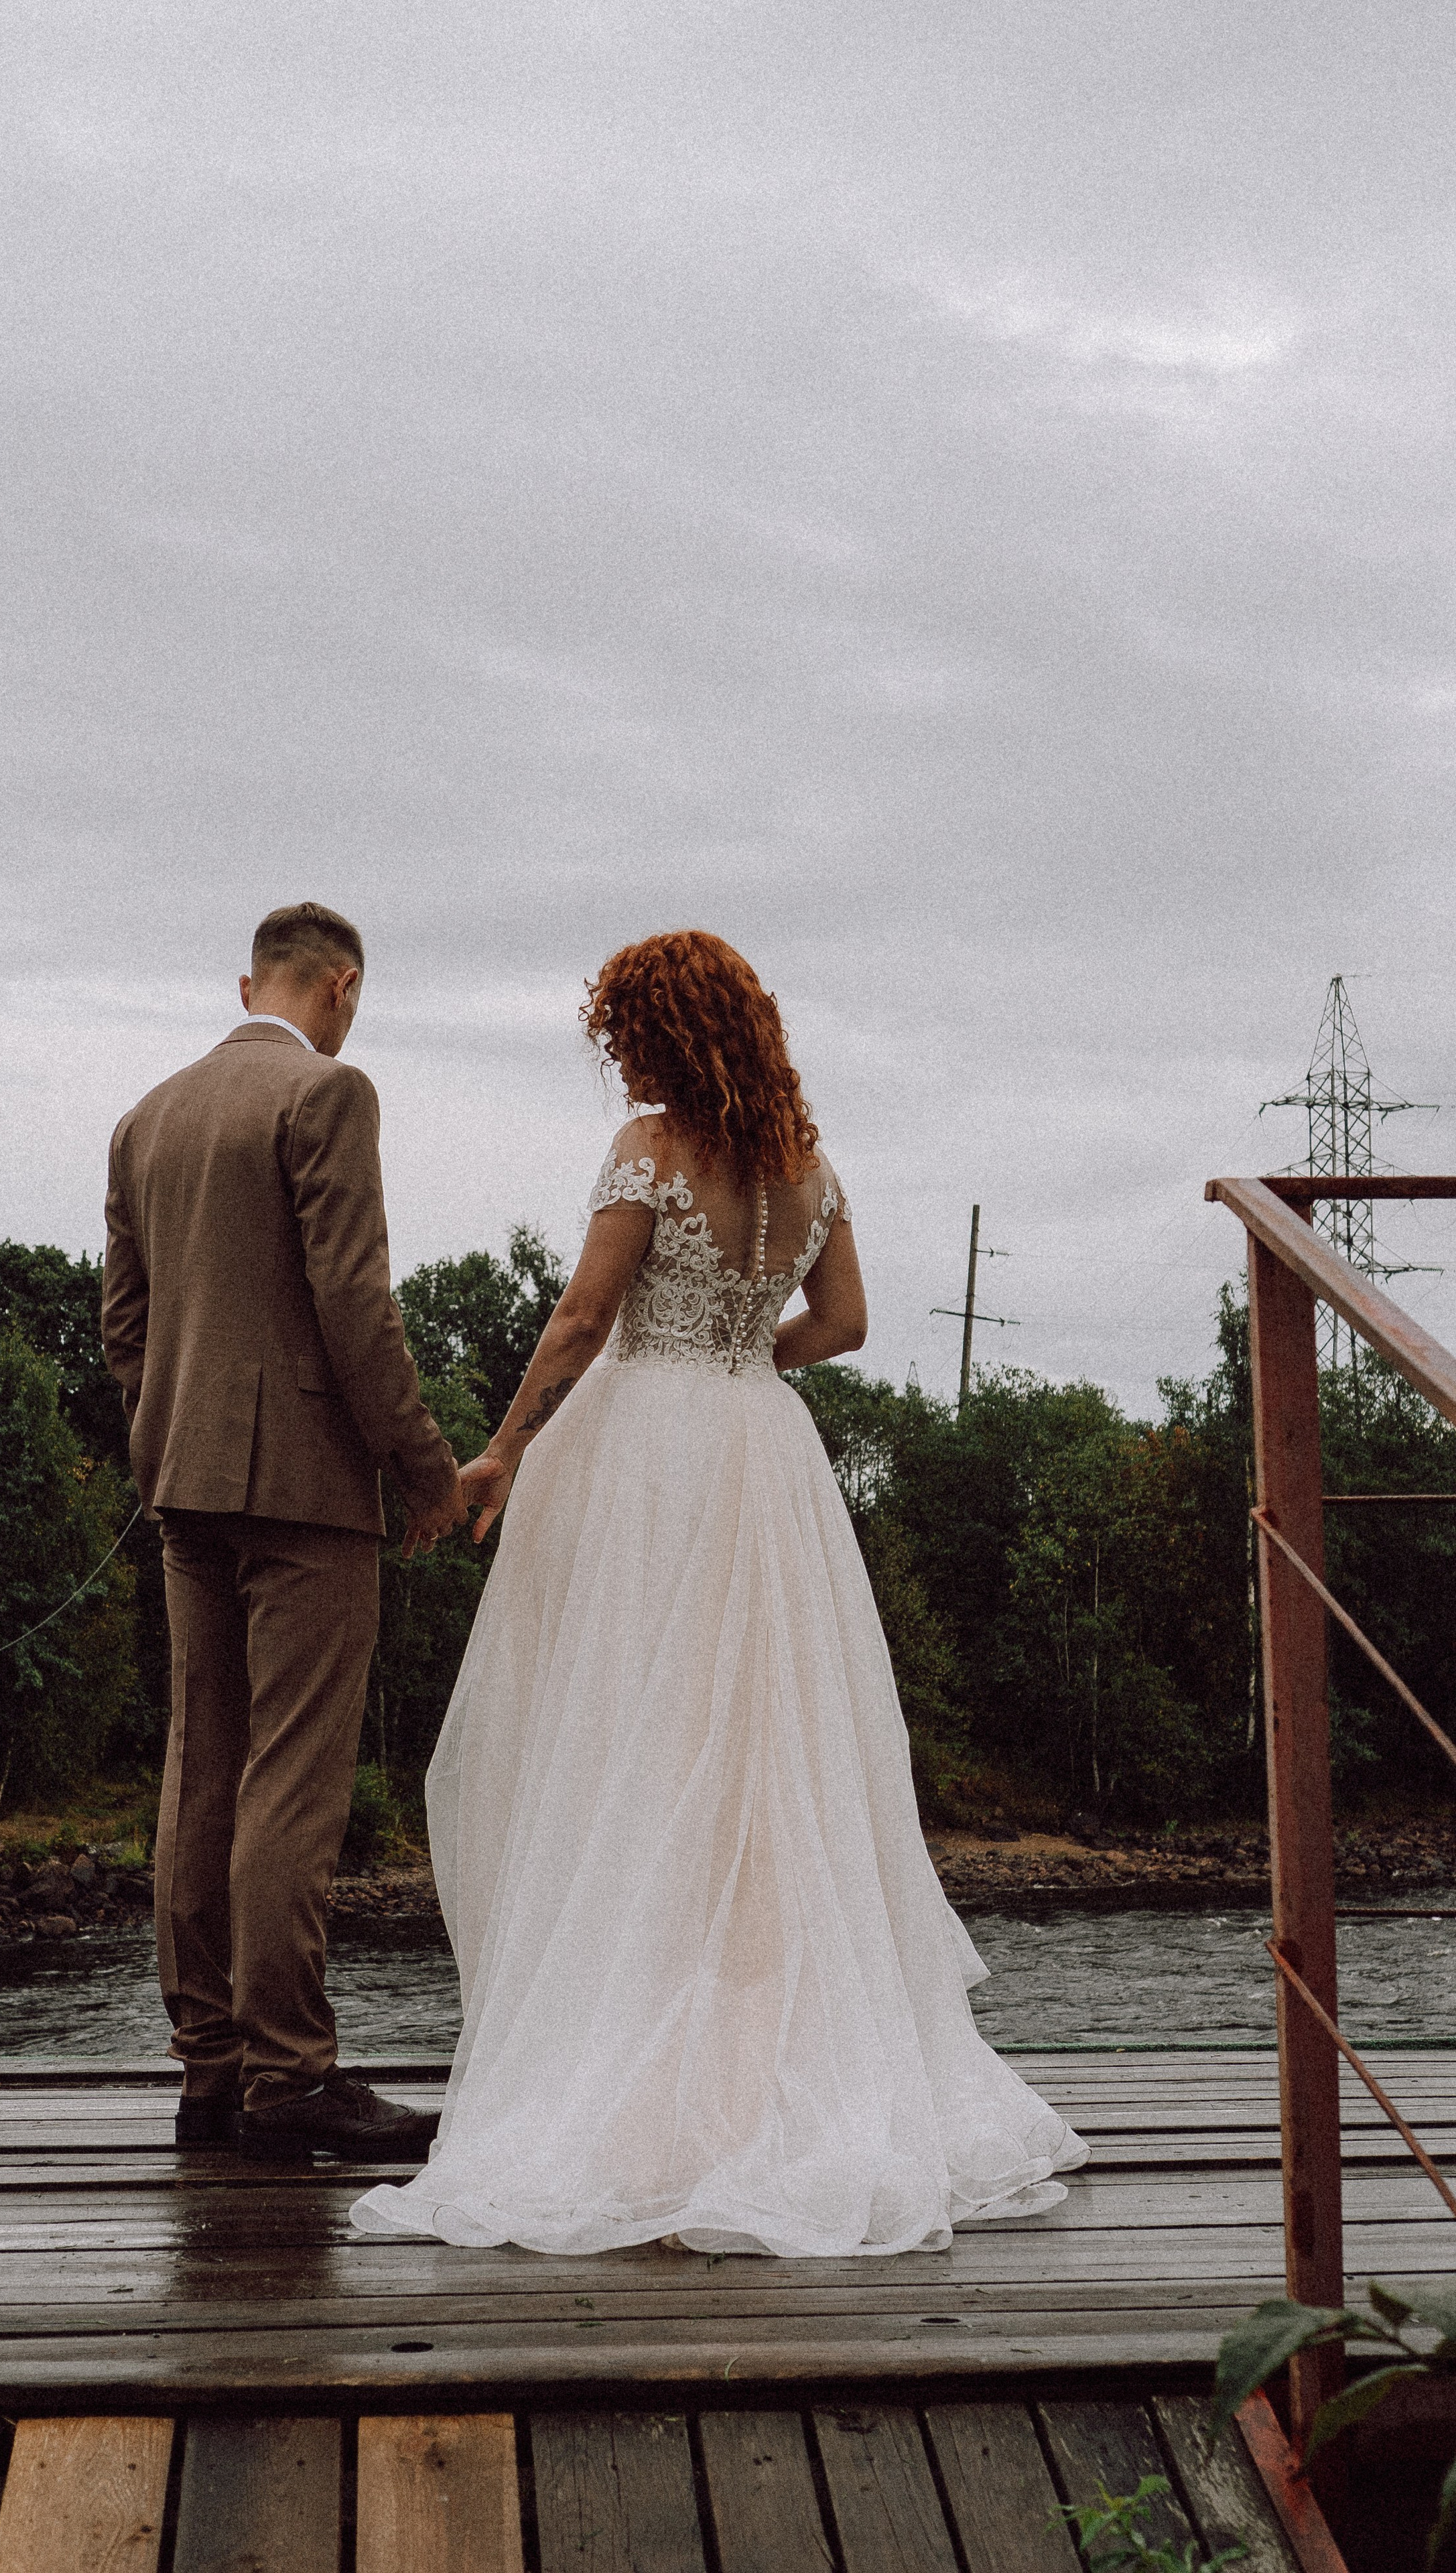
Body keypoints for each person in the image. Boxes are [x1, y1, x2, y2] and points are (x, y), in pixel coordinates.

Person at [352, 929, 1085, 2255]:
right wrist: (748, 1357)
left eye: (621, 1029)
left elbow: (581, 1319)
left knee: (630, 1736)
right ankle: (766, 2065)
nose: (614, 1052)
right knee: (763, 1757)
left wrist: (506, 1445)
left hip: (652, 1455)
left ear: (653, 1033)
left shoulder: (647, 1146)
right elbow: (846, 1323)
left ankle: (645, 2082)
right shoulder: (807, 1160)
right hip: (762, 1448)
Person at [103, 901, 466, 2161]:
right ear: (343, 986)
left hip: (182, 1487)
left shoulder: (146, 1118)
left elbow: (125, 1328)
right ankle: (292, 2077)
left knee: (202, 1766)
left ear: (246, 981)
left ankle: (209, 2067)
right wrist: (428, 1474)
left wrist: (166, 1439)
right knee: (294, 1784)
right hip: (308, 1490)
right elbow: (357, 1308)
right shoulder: (330, 1098)